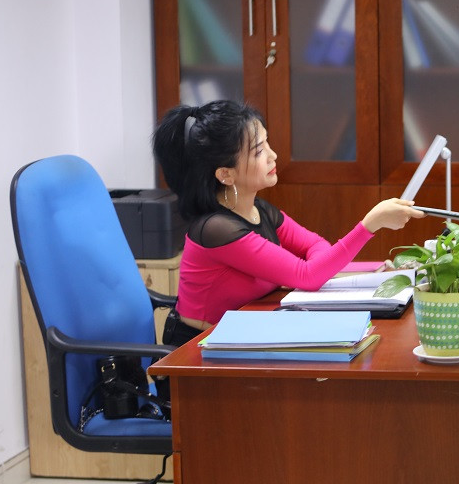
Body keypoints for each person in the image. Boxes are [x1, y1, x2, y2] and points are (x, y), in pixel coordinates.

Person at [152, 99, 424, 346]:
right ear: (226, 174)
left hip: (241, 337)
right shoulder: (217, 229)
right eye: (259, 151)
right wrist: (369, 225)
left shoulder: (258, 210)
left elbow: (317, 246)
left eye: (267, 143)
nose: (273, 156)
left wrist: (317, 267)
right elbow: (308, 275)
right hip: (197, 351)